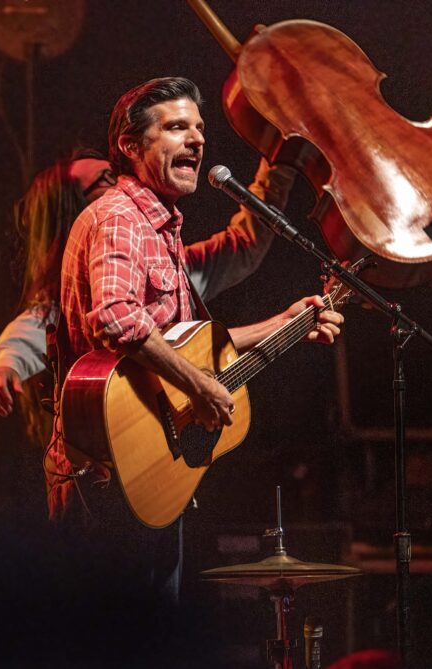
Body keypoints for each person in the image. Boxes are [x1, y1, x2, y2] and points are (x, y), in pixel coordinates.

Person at [55, 77, 343, 605]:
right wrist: (200, 387)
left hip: (142, 472)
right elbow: (116, 320)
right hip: (110, 472)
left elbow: (181, 346)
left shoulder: (157, 229)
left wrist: (285, 323)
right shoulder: (121, 219)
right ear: (130, 146)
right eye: (176, 127)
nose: (197, 139)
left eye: (200, 128)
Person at [0, 150, 297, 450]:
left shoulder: (171, 267)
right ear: (78, 214)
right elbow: (25, 335)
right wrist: (4, 366)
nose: (123, 181)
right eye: (107, 179)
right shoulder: (66, 297)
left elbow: (243, 244)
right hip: (108, 458)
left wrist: (278, 163)